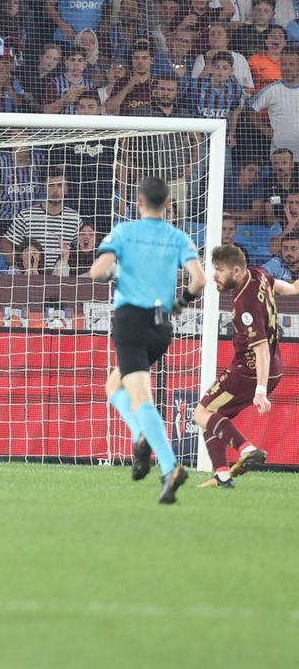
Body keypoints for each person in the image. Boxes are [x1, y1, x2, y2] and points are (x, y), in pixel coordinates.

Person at [89, 177, 206, 504]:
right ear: (167, 204)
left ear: (138, 203)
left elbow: (97, 272)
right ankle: (141, 433)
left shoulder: (124, 232)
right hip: (161, 326)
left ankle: (170, 467)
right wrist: (182, 302)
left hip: (131, 322)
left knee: (141, 399)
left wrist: (116, 272)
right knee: (114, 386)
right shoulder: (178, 236)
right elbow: (199, 279)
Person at [194, 245, 292, 488]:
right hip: (272, 368)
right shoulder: (258, 274)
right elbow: (289, 288)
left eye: (220, 270)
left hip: (248, 372)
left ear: (236, 271)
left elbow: (261, 349)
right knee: (212, 416)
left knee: (200, 414)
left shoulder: (244, 304)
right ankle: (222, 476)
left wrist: (260, 391)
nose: (215, 275)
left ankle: (246, 449)